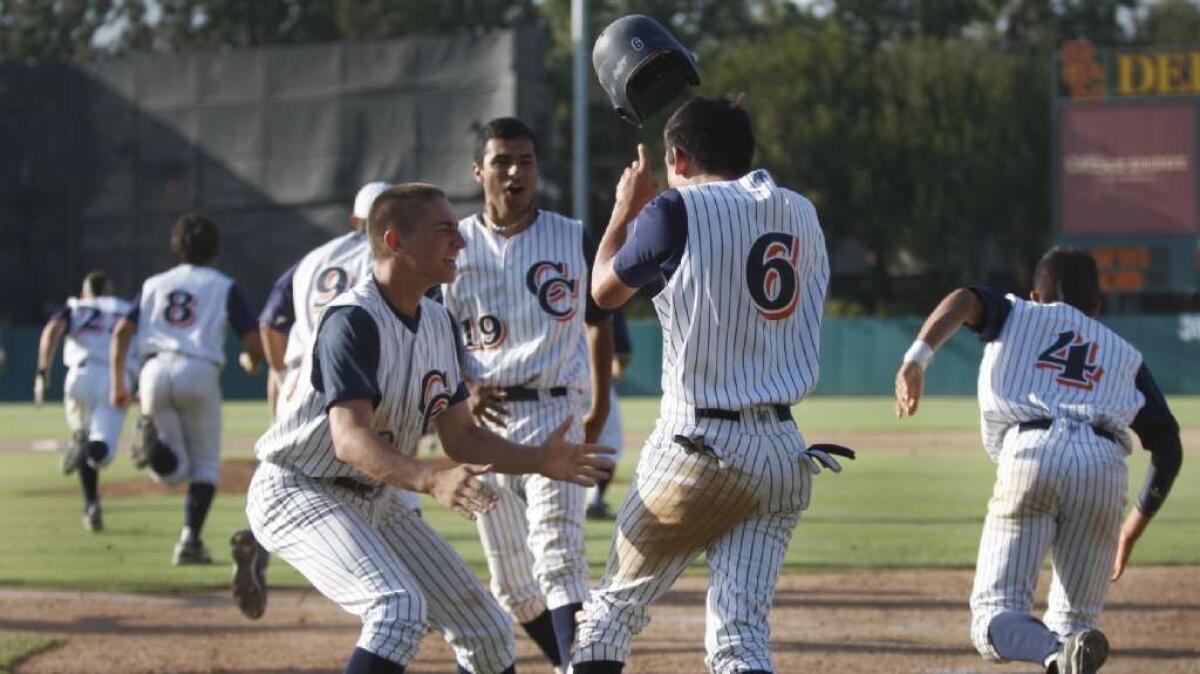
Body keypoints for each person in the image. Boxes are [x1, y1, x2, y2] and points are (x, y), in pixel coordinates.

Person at [245, 182, 615, 674]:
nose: (459, 242)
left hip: (372, 496)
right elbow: (349, 438)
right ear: (396, 243)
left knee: (487, 630)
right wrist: (432, 479)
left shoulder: (438, 321)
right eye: (444, 232)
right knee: (396, 611)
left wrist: (540, 460)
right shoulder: (353, 321)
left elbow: (461, 436)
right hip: (300, 489)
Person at [573, 97, 832, 673]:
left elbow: (603, 293)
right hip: (782, 453)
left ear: (678, 156)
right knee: (740, 640)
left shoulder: (675, 209)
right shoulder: (801, 212)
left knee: (612, 613)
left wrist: (624, 209)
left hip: (697, 448)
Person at [894, 247, 1183, 674]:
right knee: (1076, 631)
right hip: (1104, 468)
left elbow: (964, 299)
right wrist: (1131, 531)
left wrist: (916, 359)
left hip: (1032, 455)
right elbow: (1168, 448)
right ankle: (1062, 649)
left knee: (992, 619)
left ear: (1035, 293)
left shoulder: (1017, 313)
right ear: (1097, 308)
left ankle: (1052, 652)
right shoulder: (1125, 356)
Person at [441, 117, 613, 673]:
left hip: (554, 407)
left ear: (538, 169)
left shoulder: (569, 234)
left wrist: (600, 405)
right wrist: (462, 389)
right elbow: (435, 332)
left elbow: (597, 318)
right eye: (502, 161)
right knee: (514, 584)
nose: (515, 171)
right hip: (484, 426)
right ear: (479, 171)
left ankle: (576, 667)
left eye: (526, 160)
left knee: (560, 556)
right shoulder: (453, 246)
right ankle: (570, 663)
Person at [231, 181, 394, 620]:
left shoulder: (313, 259)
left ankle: (262, 542)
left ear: (354, 220)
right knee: (388, 495)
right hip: (356, 382)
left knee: (298, 481)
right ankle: (388, 611)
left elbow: (270, 322)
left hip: (301, 380)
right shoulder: (388, 257)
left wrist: (282, 373)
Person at [110, 213, 263, 565]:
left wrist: (118, 382)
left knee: (173, 471)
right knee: (206, 467)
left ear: (176, 248)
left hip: (152, 370)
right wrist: (252, 361)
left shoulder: (153, 284)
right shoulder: (223, 285)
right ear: (216, 251)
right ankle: (189, 541)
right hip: (198, 369)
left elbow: (121, 333)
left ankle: (154, 447)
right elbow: (253, 342)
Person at [34, 270, 133, 531]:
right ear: (110, 291)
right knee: (101, 453)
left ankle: (91, 505)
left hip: (79, 376)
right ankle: (87, 446)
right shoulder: (126, 307)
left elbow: (52, 330)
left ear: (85, 292)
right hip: (114, 376)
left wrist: (42, 373)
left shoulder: (76, 306)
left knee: (85, 437)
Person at [586, 309, 632, 521]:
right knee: (610, 446)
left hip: (556, 379)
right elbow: (622, 350)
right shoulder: (604, 296)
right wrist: (618, 368)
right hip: (594, 379)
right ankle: (593, 501)